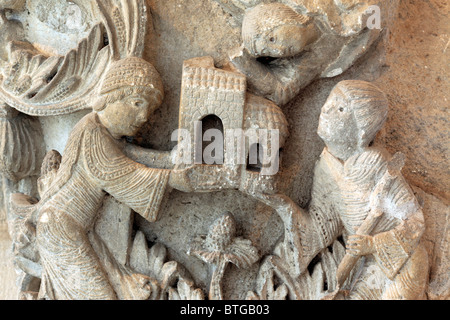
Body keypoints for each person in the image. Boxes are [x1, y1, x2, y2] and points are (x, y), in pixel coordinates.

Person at [248, 80, 428, 299]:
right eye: (330, 102)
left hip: (401, 263)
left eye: (341, 109)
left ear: (362, 130)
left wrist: (372, 244)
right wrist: (281, 204)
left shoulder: (378, 166)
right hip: (367, 267)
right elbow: (321, 226)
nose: (326, 109)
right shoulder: (326, 167)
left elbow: (415, 222)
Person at [34, 57, 191, 300]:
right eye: (137, 103)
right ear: (110, 96)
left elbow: (135, 156)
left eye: (149, 110)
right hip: (59, 228)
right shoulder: (92, 134)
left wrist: (170, 160)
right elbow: (126, 175)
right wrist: (175, 178)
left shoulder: (104, 134)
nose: (144, 116)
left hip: (77, 229)